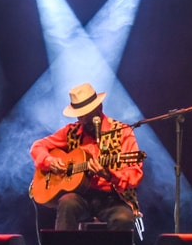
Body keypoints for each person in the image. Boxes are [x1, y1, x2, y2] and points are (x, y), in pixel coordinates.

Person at [29, 82, 143, 231]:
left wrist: (110, 175)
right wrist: (49, 161)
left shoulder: (122, 132)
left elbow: (134, 175)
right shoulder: (71, 131)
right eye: (80, 116)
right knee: (67, 203)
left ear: (99, 108)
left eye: (88, 114)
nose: (84, 120)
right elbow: (37, 146)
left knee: (123, 218)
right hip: (80, 197)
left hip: (113, 198)